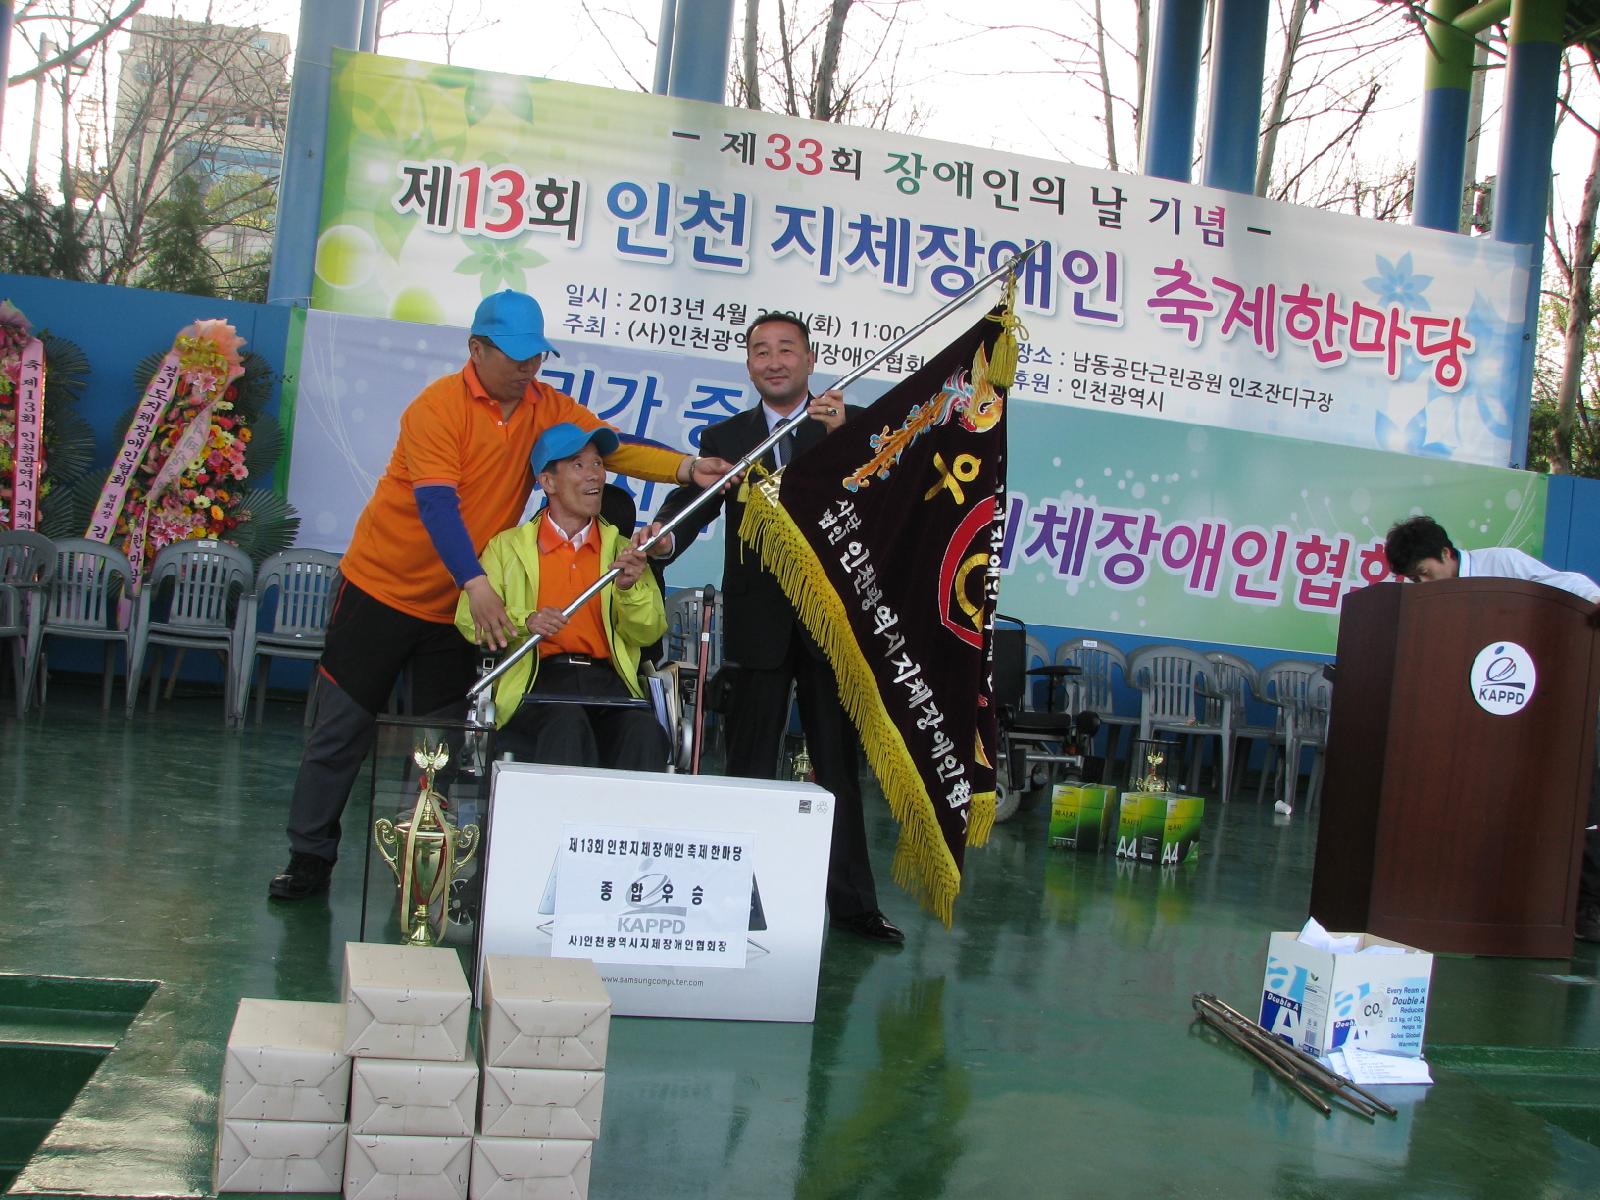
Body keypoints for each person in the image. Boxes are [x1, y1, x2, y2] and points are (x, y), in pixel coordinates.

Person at [269, 290, 731, 900]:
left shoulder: (546, 408)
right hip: (383, 591)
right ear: (475, 349)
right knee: (342, 728)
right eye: (513, 356)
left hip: (459, 614)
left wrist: (684, 470)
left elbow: (613, 446)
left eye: (535, 356)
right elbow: (437, 505)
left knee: (439, 745)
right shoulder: (437, 408)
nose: (526, 368)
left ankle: (423, 870)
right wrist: (479, 584)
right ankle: (309, 859)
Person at [649, 311, 903, 945]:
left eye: (786, 349)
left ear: (810, 360)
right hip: (760, 624)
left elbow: (887, 503)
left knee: (836, 767)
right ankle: (733, 897)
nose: (774, 360)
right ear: (749, 367)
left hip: (830, 623)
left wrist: (852, 441)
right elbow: (694, 505)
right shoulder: (729, 434)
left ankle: (853, 907)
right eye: (761, 351)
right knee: (750, 762)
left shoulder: (848, 426)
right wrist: (663, 539)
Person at [1383, 514, 1600, 944]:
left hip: (1539, 706)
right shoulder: (1428, 607)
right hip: (1473, 727)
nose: (1422, 585)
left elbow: (1572, 585)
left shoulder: (1502, 564)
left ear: (1447, 554)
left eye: (1425, 573)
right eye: (1413, 579)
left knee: (1580, 800)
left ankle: (1585, 905)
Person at [454, 423, 668, 769]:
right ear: (548, 482)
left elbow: (648, 632)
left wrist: (628, 591)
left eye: (598, 464)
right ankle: (568, 825)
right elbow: (468, 620)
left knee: (643, 731)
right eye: (578, 465)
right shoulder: (507, 548)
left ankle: (629, 824)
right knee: (566, 724)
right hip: (537, 680)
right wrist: (527, 621)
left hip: (609, 684)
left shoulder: (622, 549)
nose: (594, 476)